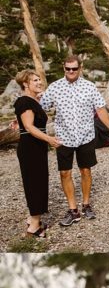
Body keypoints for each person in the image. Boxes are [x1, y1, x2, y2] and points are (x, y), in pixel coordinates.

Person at [39, 54, 109, 228]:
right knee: (65, 173)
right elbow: (41, 108)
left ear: (80, 68)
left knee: (85, 170)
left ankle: (86, 204)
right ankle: (73, 210)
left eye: (74, 68)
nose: (71, 71)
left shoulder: (89, 87)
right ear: (64, 68)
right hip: (63, 138)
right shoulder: (55, 87)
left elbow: (100, 110)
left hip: (86, 136)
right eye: (68, 68)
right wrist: (21, 118)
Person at [13, 69, 61, 238]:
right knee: (35, 184)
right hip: (30, 148)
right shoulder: (25, 101)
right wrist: (49, 139)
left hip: (36, 147)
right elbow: (29, 126)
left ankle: (33, 218)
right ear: (25, 84)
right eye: (35, 80)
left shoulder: (31, 101)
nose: (40, 82)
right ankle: (34, 226)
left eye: (39, 79)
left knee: (38, 182)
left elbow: (26, 122)